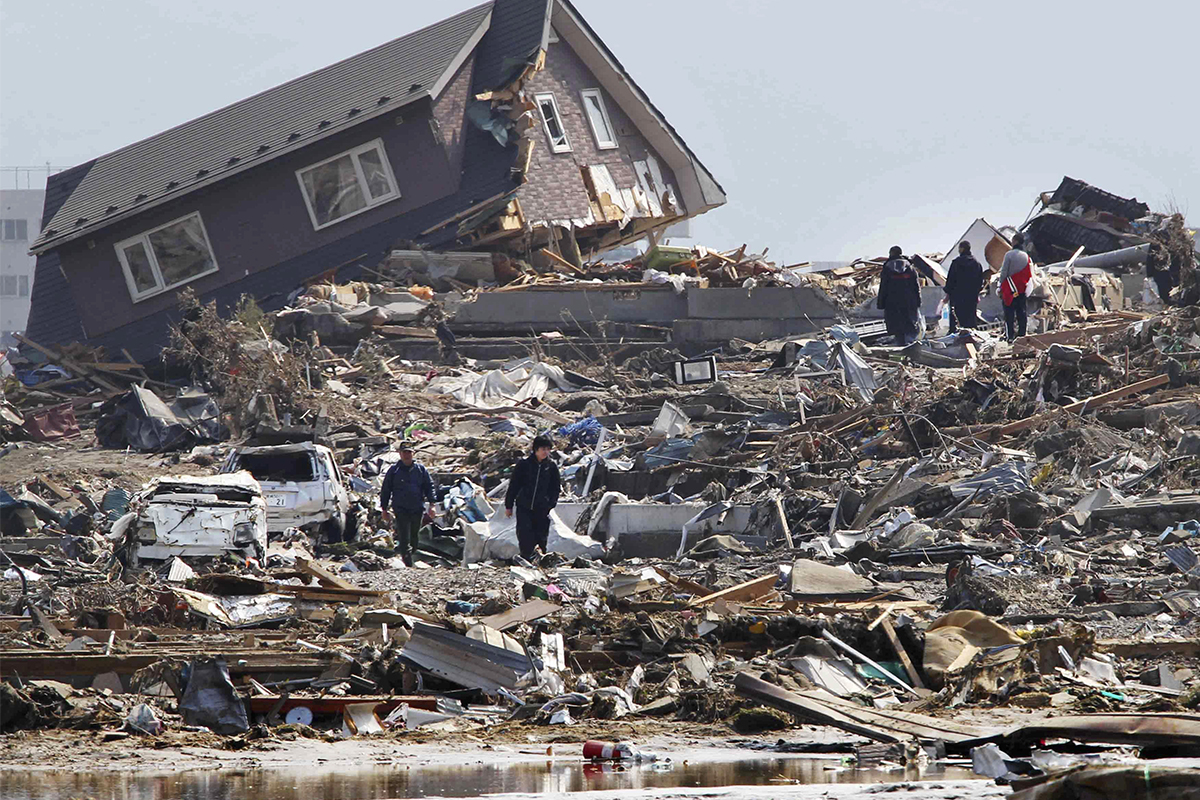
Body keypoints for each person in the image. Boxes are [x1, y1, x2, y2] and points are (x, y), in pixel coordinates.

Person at [504, 433, 561, 560]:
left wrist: (550, 504)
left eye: (548, 449)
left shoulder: (551, 466)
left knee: (541, 535)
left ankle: (540, 560)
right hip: (524, 506)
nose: (545, 452)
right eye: (543, 449)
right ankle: (526, 559)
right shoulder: (524, 464)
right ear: (536, 450)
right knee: (524, 534)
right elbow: (514, 485)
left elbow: (555, 488)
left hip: (542, 507)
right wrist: (509, 505)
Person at [380, 441, 437, 566]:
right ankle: (408, 563)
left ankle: (412, 556)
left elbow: (429, 486)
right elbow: (385, 489)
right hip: (401, 509)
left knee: (414, 536)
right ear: (400, 454)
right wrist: (384, 509)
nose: (407, 455)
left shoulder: (420, 470)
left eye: (409, 452)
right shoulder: (394, 470)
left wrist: (432, 504)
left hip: (417, 508)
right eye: (404, 452)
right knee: (404, 536)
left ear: (413, 453)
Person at [876, 246, 922, 345]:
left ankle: (900, 344)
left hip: (892, 302)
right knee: (909, 324)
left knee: (896, 325)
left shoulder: (887, 268)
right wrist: (918, 301)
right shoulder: (910, 268)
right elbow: (916, 286)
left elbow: (883, 286)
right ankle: (910, 346)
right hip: (909, 301)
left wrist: (881, 303)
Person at [944, 240, 984, 333]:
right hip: (971, 297)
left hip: (957, 297)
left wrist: (948, 292)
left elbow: (951, 280)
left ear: (962, 249)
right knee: (970, 318)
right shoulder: (976, 263)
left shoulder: (956, 263)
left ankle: (956, 336)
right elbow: (980, 281)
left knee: (956, 319)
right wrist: (976, 292)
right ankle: (971, 336)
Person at [999, 233, 1033, 342]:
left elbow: (1004, 272)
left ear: (1016, 241)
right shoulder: (1026, 256)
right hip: (1022, 289)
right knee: (1021, 312)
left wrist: (1000, 286)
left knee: (1009, 313)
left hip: (1010, 289)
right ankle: (1022, 335)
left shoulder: (1009, 255)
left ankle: (1010, 337)